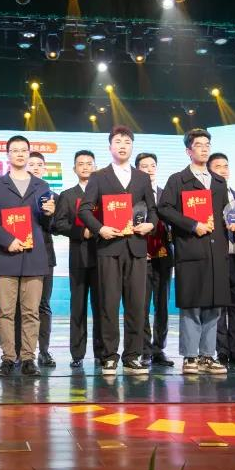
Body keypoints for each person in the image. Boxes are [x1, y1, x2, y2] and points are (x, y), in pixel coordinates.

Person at [78, 126, 158, 376]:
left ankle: (132, 356)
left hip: (136, 248)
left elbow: (153, 210)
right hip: (109, 248)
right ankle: (109, 356)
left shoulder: (142, 177)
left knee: (137, 305)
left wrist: (151, 224)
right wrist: (100, 229)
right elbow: (84, 209)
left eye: (127, 142)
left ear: (132, 146)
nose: (122, 146)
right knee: (109, 304)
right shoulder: (99, 176)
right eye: (118, 142)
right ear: (110, 147)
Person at [156, 129, 231, 375]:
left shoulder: (219, 181)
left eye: (207, 144)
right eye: (199, 145)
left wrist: (233, 222)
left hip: (216, 249)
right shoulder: (178, 179)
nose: (204, 148)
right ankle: (190, 356)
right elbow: (164, 209)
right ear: (189, 151)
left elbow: (225, 212)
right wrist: (192, 224)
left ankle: (207, 355)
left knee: (214, 304)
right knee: (193, 304)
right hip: (191, 247)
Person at [0, 135, 55, 377]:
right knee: (5, 312)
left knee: (32, 312)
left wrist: (49, 213)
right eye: (15, 150)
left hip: (34, 257)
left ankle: (28, 358)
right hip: (5, 256)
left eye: (24, 150)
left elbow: (47, 224)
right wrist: (8, 240)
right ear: (8, 155)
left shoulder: (42, 186)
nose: (20, 154)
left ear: (29, 153)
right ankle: (8, 358)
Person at [52, 150, 101, 368]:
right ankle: (77, 354)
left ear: (95, 167)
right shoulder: (68, 195)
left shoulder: (104, 194)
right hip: (79, 258)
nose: (85, 167)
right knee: (78, 307)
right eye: (81, 164)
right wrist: (82, 232)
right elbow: (59, 224)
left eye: (89, 163)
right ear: (74, 169)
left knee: (102, 307)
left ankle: (102, 352)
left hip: (103, 258)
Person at [207, 153, 235, 369]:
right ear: (209, 172)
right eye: (218, 167)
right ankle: (222, 352)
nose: (223, 170)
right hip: (218, 258)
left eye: (225, 166)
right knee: (218, 309)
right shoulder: (207, 198)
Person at [136, 152, 174, 368]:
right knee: (141, 306)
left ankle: (159, 349)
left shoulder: (164, 195)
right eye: (144, 166)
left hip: (164, 256)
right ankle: (144, 350)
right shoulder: (133, 196)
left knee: (162, 306)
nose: (149, 169)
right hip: (142, 257)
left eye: (152, 165)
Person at [24, 150, 57, 367]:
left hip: (44, 256)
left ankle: (44, 351)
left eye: (39, 165)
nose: (35, 168)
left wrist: (49, 214)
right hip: (20, 254)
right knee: (22, 306)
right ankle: (22, 352)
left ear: (44, 169)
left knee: (43, 305)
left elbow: (56, 227)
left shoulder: (52, 196)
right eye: (31, 164)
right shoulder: (16, 194)